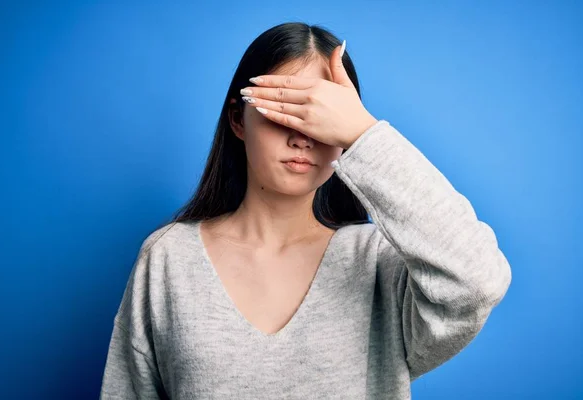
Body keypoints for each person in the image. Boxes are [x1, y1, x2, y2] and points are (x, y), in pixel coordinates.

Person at [99, 22, 512, 399]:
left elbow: (478, 280)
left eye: (319, 116)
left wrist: (364, 133)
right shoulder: (170, 258)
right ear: (238, 120)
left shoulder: (377, 264)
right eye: (284, 109)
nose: (302, 137)